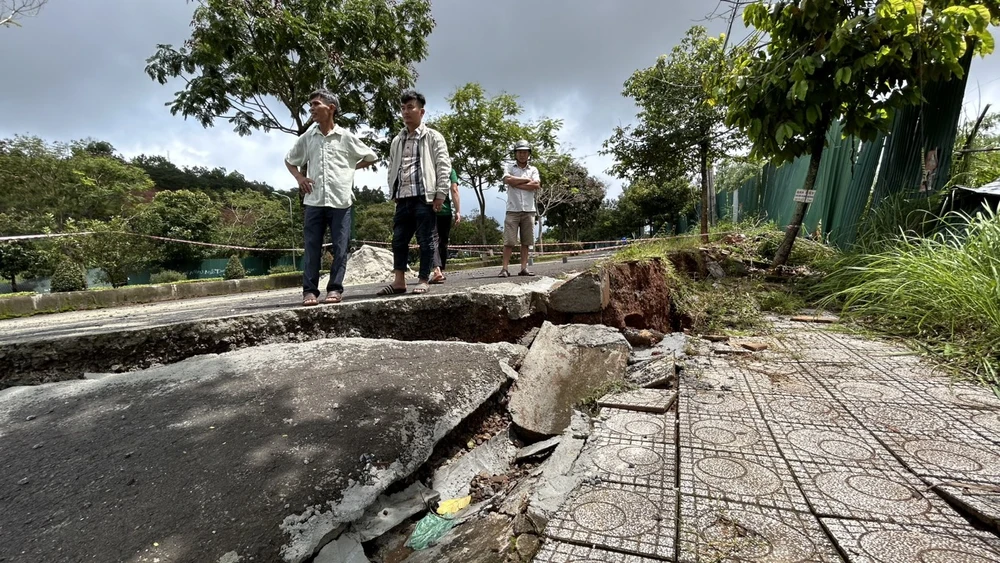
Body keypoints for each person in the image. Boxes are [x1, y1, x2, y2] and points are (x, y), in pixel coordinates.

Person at [284, 89, 377, 306]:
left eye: (316, 104)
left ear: (331, 108)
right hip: (314, 201)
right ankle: (309, 291)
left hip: (341, 201)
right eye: (311, 105)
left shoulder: (345, 137)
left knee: (340, 248)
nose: (312, 109)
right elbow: (290, 160)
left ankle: (335, 289)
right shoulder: (308, 137)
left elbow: (371, 156)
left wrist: (350, 167)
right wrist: (299, 177)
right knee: (312, 248)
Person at [378, 89, 452, 296]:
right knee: (398, 240)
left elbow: (443, 166)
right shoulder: (397, 140)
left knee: (426, 239)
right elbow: (392, 166)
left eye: (410, 107)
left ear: (421, 111)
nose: (405, 112)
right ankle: (399, 281)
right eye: (403, 108)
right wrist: (392, 191)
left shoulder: (433, 137)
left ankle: (423, 279)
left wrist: (440, 194)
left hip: (424, 197)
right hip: (402, 197)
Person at [498, 140, 540, 277]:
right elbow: (507, 180)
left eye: (525, 152)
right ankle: (504, 268)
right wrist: (526, 180)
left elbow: (536, 185)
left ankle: (524, 268)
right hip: (513, 209)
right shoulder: (509, 167)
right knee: (509, 241)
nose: (522, 154)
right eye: (520, 152)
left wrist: (516, 183)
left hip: (529, 209)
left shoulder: (533, 169)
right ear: (515, 153)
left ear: (529, 154)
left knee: (526, 241)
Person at [429, 169, 461, 284]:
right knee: (443, 242)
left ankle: (436, 270)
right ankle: (440, 270)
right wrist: (458, 211)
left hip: (430, 210)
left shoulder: (429, 167)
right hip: (445, 211)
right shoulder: (450, 170)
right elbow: (454, 189)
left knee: (431, 240)